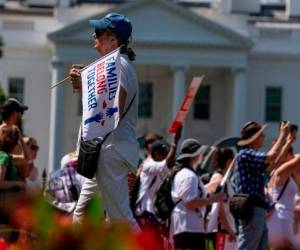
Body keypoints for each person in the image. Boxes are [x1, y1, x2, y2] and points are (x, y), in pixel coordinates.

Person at [69, 13, 140, 230]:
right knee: (84, 216)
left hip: (110, 149)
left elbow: (112, 109)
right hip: (104, 149)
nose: (94, 35)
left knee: (120, 219)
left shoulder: (117, 64)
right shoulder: (116, 64)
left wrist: (86, 85)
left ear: (113, 39)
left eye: (99, 32)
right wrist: (86, 86)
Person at [233, 121, 290, 250]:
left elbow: (272, 165)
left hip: (255, 208)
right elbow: (271, 156)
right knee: (248, 245)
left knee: (260, 245)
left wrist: (287, 142)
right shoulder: (245, 154)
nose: (264, 137)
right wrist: (282, 135)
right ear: (254, 138)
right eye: (261, 135)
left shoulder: (250, 155)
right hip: (251, 207)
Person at [170, 138, 223, 250]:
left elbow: (190, 195)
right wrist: (213, 199)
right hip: (189, 229)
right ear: (195, 156)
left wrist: (208, 188)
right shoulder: (189, 175)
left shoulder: (187, 174)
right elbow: (190, 202)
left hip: (188, 228)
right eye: (201, 153)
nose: (202, 156)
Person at [134, 127, 181, 230]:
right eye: (160, 147)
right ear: (150, 147)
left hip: (153, 214)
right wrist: (175, 143)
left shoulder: (155, 167)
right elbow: (166, 165)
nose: (164, 151)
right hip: (144, 213)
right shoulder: (147, 165)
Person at [206, 148, 236, 248]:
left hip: (225, 229)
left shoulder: (225, 179)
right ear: (228, 161)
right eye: (234, 159)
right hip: (222, 230)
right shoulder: (219, 178)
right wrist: (230, 230)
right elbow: (220, 208)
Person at [0, 98, 31, 179]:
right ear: (15, 114)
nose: (21, 116)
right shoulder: (12, 135)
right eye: (21, 112)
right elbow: (25, 171)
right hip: (9, 188)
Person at [0, 125, 27, 217]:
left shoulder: (7, 157)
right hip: (4, 207)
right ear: (13, 143)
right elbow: (0, 182)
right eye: (17, 142)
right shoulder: (4, 157)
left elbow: (27, 158)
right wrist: (18, 183)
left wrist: (21, 139)